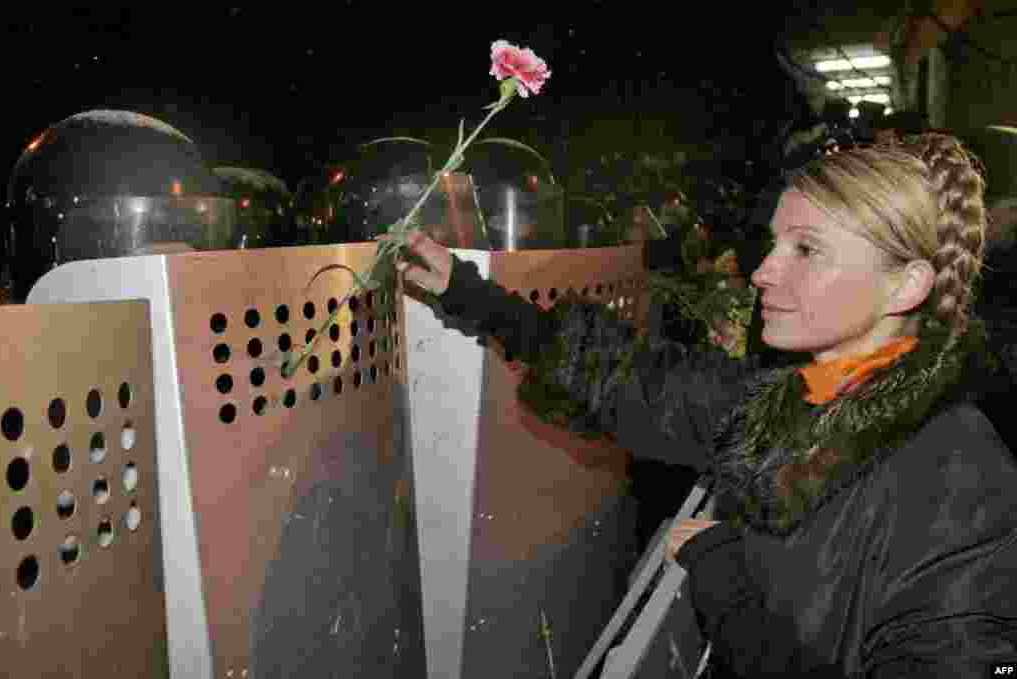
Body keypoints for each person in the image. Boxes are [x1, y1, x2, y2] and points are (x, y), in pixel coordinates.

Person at [390, 133, 1017, 677]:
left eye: (807, 250)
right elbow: (636, 379)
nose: (764, 271)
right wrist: (467, 290)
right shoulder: (798, 399)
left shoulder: (957, 476)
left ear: (906, 285)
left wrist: (724, 578)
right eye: (774, 244)